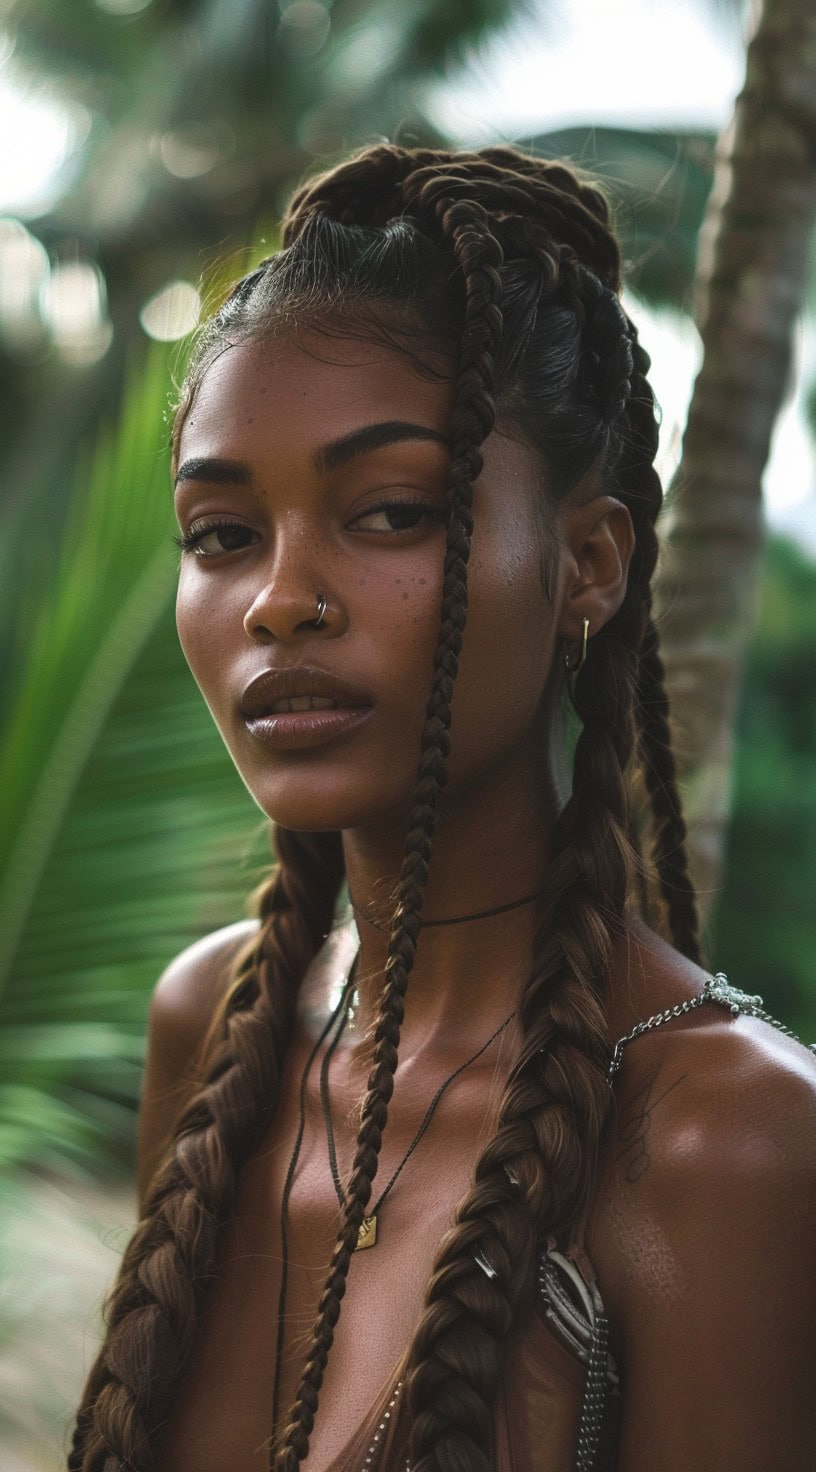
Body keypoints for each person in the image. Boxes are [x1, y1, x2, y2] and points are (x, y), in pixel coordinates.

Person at [68, 144, 816, 1472]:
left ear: (587, 564)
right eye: (222, 534)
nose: (277, 601)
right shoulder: (217, 1029)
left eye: (391, 511)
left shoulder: (728, 1140)